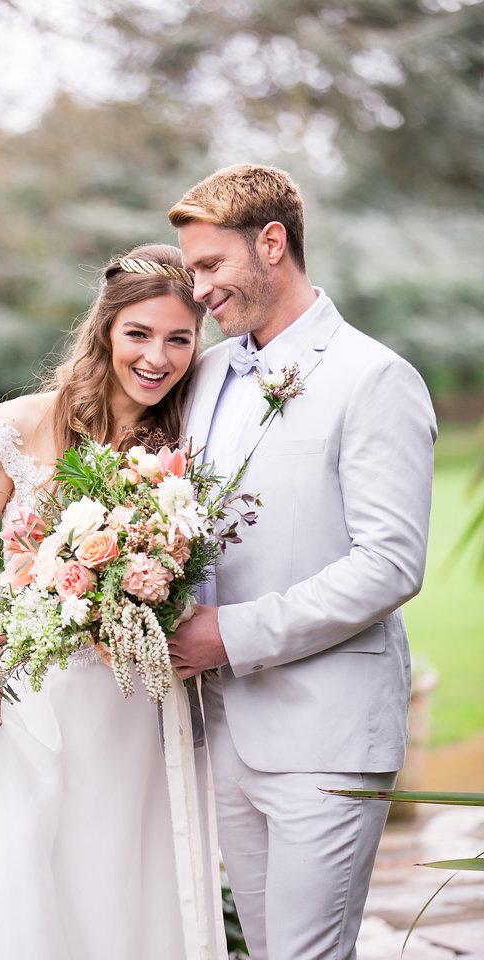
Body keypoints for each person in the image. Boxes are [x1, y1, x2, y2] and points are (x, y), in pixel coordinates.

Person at [0, 244, 224, 960]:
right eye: (139, 333)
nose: (158, 356)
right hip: (37, 694)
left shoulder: (183, 440)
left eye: (180, 338)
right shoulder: (19, 424)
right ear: (106, 329)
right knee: (24, 886)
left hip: (141, 701)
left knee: (127, 885)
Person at [167, 164, 437, 960]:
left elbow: (390, 563)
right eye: (191, 271)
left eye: (210, 265)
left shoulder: (374, 376)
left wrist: (233, 635)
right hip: (223, 730)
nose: (199, 290)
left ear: (272, 244)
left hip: (329, 731)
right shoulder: (209, 372)